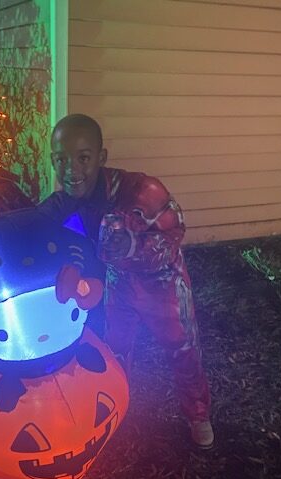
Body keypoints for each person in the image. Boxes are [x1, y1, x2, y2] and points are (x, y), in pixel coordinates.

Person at [37, 113, 214, 449]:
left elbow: (176, 230)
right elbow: (40, 224)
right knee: (114, 351)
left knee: (182, 350)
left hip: (162, 287)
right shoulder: (67, 200)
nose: (71, 169)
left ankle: (198, 414)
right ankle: (116, 409)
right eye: (61, 159)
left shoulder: (142, 190)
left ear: (101, 157)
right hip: (116, 286)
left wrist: (134, 246)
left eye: (83, 158)